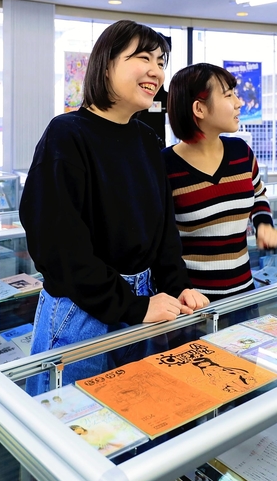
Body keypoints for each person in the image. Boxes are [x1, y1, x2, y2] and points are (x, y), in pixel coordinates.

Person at [19, 20, 208, 396]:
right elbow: (57, 246)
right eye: (143, 58)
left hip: (143, 301)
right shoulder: (66, 134)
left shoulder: (147, 139)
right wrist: (133, 307)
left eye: (160, 62)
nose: (156, 71)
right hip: (81, 310)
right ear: (106, 65)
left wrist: (178, 286)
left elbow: (162, 229)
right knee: (68, 420)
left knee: (130, 416)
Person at [163, 63, 277, 301]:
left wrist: (264, 224)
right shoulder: (164, 166)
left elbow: (258, 194)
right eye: (228, 95)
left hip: (244, 295)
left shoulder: (241, 152)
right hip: (193, 302)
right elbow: (161, 242)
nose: (239, 102)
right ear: (199, 108)